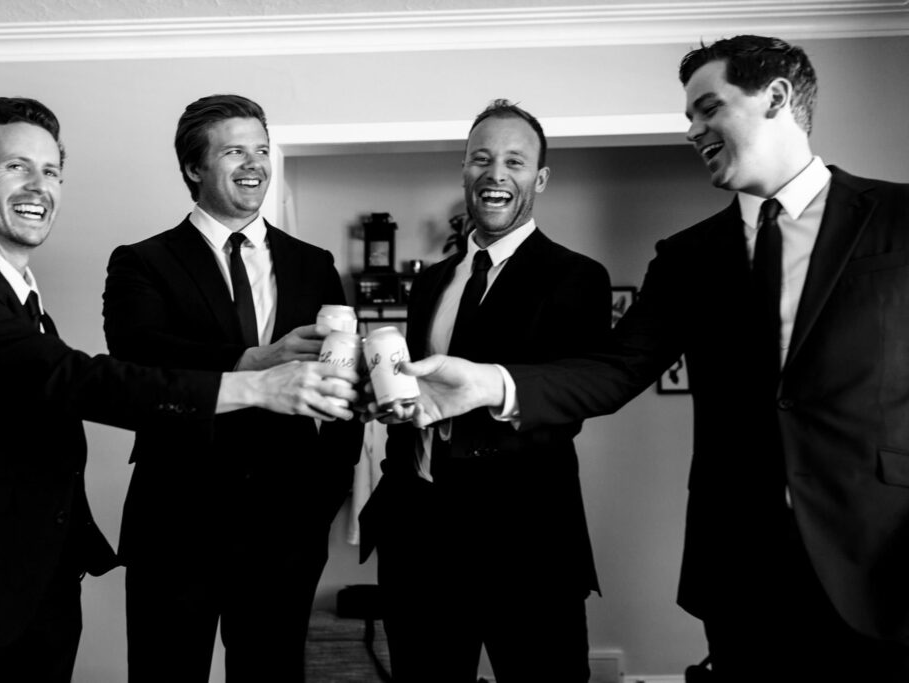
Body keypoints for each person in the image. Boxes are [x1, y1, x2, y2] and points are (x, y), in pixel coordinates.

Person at [389, 36, 909, 681]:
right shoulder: (689, 257)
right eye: (689, 115)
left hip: (884, 552)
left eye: (708, 108)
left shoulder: (900, 218)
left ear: (776, 97)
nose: (692, 130)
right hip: (740, 562)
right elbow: (616, 369)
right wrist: (489, 383)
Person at [0, 97, 357, 683]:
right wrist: (257, 381)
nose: (39, 185)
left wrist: (325, 491)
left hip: (41, 576)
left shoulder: (20, 299)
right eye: (16, 167)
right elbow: (83, 377)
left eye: (51, 170)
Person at [102, 94, 365, 683]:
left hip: (288, 526)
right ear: (194, 168)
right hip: (176, 522)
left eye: (262, 150)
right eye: (234, 152)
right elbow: (138, 360)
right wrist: (252, 360)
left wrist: (328, 488)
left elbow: (342, 383)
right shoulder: (142, 262)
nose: (255, 165)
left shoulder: (314, 264)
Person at [358, 100, 611, 682]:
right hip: (418, 540)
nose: (496, 173)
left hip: (525, 543)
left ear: (539, 179)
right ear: (464, 171)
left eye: (515, 161)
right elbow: (420, 393)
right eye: (482, 159)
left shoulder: (578, 278)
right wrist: (388, 402)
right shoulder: (432, 282)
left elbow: (573, 402)